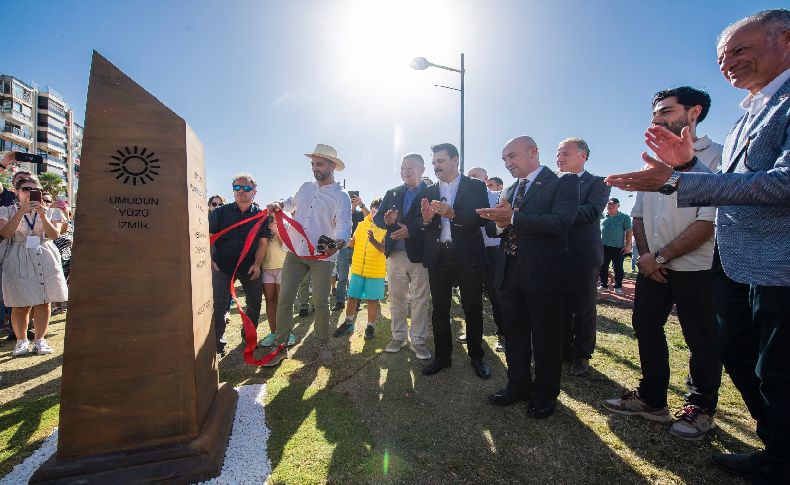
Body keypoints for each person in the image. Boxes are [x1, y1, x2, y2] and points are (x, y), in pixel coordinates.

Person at [606, 9, 790, 481]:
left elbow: (774, 186)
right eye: (723, 55)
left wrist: (679, 177)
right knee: (744, 359)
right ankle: (775, 452)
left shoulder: (772, 110)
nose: (728, 62)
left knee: (762, 365)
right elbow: (685, 201)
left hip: (766, 266)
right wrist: (683, 171)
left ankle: (737, 430)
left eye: (740, 49)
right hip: (733, 267)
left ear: (785, 39)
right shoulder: (749, 115)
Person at [604, 86, 724, 441]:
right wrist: (645, 257)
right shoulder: (651, 164)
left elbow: (708, 221)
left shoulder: (717, 156)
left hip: (697, 268)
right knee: (646, 327)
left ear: (694, 112)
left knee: (700, 339)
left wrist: (661, 256)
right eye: (654, 113)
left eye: (666, 112)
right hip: (651, 268)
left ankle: (701, 408)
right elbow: (638, 216)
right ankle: (653, 399)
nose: (657, 119)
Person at [478, 136, 578, 419]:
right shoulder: (508, 189)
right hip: (509, 272)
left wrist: (513, 219)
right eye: (504, 159)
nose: (508, 163)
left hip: (544, 274)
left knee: (546, 338)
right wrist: (497, 223)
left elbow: (561, 223)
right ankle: (517, 385)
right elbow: (498, 230)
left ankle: (545, 394)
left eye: (512, 156)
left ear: (533, 152)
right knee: (515, 334)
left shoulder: (562, 182)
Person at [264, 144, 352, 366]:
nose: (315, 168)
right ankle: (280, 346)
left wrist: (337, 243)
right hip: (296, 251)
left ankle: (322, 343)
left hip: (322, 257)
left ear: (332, 166)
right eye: (313, 164)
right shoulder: (305, 187)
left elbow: (344, 226)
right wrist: (278, 204)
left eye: (319, 164)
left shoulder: (342, 197)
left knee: (320, 302)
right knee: (285, 299)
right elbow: (291, 203)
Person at [420, 143, 492, 379]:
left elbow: (482, 219)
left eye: (440, 161)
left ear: (455, 160)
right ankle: (443, 357)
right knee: (440, 309)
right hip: (439, 257)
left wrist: (454, 214)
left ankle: (476, 356)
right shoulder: (429, 190)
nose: (436, 166)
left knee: (472, 308)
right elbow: (424, 225)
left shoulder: (475, 186)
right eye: (434, 163)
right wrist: (427, 219)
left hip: (468, 256)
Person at [555, 138, 610, 376]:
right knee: (560, 307)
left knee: (583, 308)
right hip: (555, 255)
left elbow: (591, 212)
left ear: (583, 155)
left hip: (583, 256)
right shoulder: (551, 184)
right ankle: (564, 350)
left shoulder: (598, 183)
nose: (559, 158)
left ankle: (582, 355)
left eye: (565, 153)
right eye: (558, 154)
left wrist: (555, 213)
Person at [1, 175, 67, 356]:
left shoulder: (51, 212)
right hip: (18, 255)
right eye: (25, 189)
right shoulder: (7, 210)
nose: (29, 193)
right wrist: (21, 212)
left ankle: (40, 340)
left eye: (34, 190)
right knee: (19, 303)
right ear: (17, 192)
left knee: (43, 301)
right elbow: (6, 233)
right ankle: (21, 341)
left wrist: (43, 215)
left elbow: (54, 235)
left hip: (44, 254)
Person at [373, 153, 431, 359]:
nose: (405, 172)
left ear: (422, 170)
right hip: (395, 255)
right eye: (403, 168)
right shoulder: (392, 192)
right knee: (396, 298)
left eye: (410, 168)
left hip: (421, 256)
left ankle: (418, 340)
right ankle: (398, 336)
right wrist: (387, 223)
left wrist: (412, 230)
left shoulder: (431, 192)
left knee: (420, 300)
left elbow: (433, 222)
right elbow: (378, 218)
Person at [208, 173, 270, 356]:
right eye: (237, 188)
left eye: (246, 188)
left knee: (254, 304)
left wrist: (258, 264)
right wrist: (210, 260)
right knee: (219, 305)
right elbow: (209, 239)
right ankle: (217, 342)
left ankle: (248, 337)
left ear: (254, 192)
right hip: (222, 266)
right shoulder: (220, 213)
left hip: (250, 267)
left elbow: (262, 243)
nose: (241, 191)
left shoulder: (261, 216)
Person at [333, 198, 386, 339]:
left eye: (378, 212)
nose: (375, 214)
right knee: (352, 297)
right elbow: (352, 243)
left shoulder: (386, 228)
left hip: (375, 271)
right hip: (357, 269)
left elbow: (384, 250)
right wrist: (341, 241)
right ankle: (348, 322)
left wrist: (373, 240)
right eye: (373, 211)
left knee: (372, 299)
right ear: (370, 211)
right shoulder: (361, 225)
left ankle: (370, 326)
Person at [467, 166, 505, 351]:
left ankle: (503, 335)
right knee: (471, 296)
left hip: (493, 253)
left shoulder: (498, 197)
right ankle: (473, 333)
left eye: (476, 176)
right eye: (469, 176)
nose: (472, 179)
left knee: (497, 296)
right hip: (471, 253)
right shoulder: (464, 198)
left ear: (486, 177)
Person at [257, 217, 297, 348]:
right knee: (270, 301)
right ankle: (273, 333)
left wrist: (277, 230)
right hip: (266, 269)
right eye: (268, 220)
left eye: (273, 220)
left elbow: (287, 246)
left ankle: (287, 333)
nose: (270, 223)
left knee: (283, 302)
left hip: (282, 269)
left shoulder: (285, 228)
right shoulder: (262, 231)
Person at [332, 193, 368, 312]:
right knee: (342, 276)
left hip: (357, 248)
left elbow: (370, 218)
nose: (352, 201)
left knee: (356, 276)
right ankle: (340, 301)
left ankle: (356, 302)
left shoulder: (360, 214)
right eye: (350, 200)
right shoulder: (342, 214)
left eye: (354, 199)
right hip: (343, 247)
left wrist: (360, 204)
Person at [599, 198, 632, 294]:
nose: (610, 206)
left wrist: (628, 245)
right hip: (603, 247)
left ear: (618, 205)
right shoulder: (602, 216)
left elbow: (629, 231)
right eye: (608, 204)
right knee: (603, 267)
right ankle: (603, 285)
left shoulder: (624, 217)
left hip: (618, 247)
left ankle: (618, 286)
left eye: (613, 204)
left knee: (618, 268)